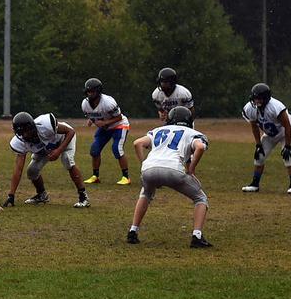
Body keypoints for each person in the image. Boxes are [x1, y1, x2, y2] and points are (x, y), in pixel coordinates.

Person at [128, 106, 212, 248]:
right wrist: (191, 170)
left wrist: (145, 165)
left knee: (146, 193)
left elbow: (137, 143)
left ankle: (133, 231)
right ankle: (197, 236)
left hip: (149, 169)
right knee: (200, 198)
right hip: (173, 169)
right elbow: (200, 147)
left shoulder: (157, 130)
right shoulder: (193, 133)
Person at [2, 111, 89, 208]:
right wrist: (11, 195)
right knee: (32, 171)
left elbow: (70, 132)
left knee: (67, 160)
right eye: (22, 133)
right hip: (45, 148)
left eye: (27, 131)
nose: (25, 135)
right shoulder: (19, 141)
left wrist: (59, 150)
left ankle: (83, 196)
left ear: (32, 127)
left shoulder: (45, 125)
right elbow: (18, 169)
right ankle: (41, 195)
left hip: (63, 139)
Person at [241, 83, 291, 195]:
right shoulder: (250, 108)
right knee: (259, 156)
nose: (257, 101)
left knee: (287, 155)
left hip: (286, 130)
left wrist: (288, 146)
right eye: (255, 98)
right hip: (270, 133)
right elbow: (254, 126)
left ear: (266, 98)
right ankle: (255, 184)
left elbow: (287, 125)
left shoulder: (275, 107)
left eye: (259, 98)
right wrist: (258, 144)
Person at [81, 78, 132, 185]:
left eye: (92, 91)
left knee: (117, 149)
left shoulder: (108, 102)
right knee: (94, 150)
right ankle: (95, 176)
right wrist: (92, 120)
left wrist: (105, 123)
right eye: (88, 91)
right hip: (106, 128)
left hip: (119, 125)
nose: (90, 94)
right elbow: (94, 115)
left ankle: (126, 177)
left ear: (98, 91)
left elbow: (119, 117)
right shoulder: (85, 104)